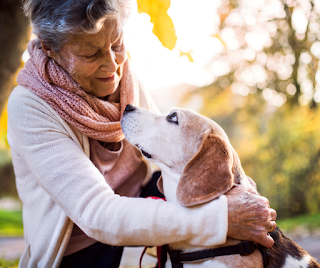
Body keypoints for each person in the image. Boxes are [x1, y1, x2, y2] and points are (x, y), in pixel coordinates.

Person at [7, 0, 277, 267]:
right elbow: (97, 214)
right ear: (50, 49)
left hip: (145, 197)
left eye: (117, 44)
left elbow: (168, 150)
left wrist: (241, 198)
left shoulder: (122, 75)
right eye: (91, 54)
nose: (113, 66)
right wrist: (219, 217)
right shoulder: (29, 106)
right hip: (81, 248)